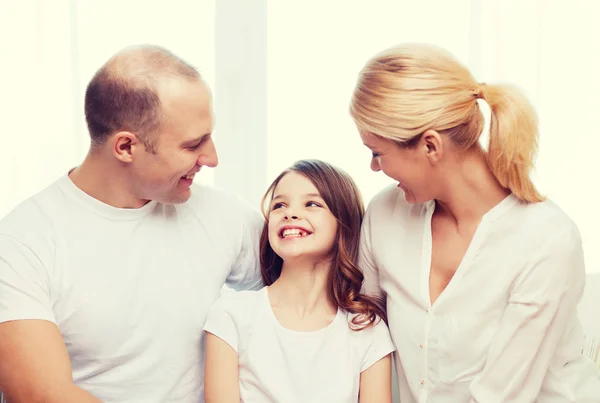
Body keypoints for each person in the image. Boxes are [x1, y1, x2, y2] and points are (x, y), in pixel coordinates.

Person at [0, 45, 264, 403]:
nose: (212, 158)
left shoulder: (224, 214)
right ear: (125, 147)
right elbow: (41, 394)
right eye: (193, 144)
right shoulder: (22, 242)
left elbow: (316, 287)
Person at [349, 43, 600, 402]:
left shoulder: (547, 241)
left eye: (377, 152)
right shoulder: (384, 215)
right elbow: (363, 339)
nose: (374, 168)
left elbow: (502, 395)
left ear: (431, 147)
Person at [203, 159, 396, 403]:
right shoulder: (231, 315)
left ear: (344, 224)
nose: (290, 213)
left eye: (312, 203)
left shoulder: (367, 328)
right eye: (279, 205)